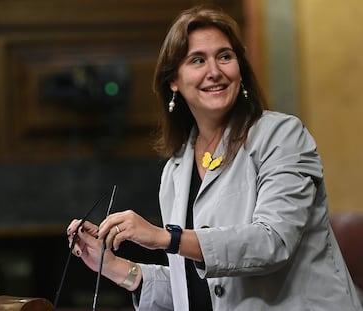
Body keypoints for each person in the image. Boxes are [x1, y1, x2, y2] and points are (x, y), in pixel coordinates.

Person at [67, 5, 363, 311]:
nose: (215, 71)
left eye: (225, 56)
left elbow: (273, 242)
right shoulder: (175, 170)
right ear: (174, 81)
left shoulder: (283, 136)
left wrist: (165, 237)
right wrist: (112, 265)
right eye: (198, 60)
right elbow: (208, 289)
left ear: (240, 69)